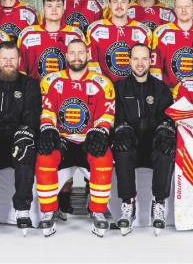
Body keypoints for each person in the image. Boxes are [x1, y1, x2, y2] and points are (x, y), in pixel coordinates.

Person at [35, 39, 115, 237]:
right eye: (72, 53)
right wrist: (48, 130)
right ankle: (48, 212)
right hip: (63, 140)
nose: (77, 57)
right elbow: (48, 111)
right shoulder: (52, 81)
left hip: (88, 140)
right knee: (45, 156)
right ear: (66, 55)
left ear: (88, 55)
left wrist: (100, 132)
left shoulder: (102, 83)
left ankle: (98, 211)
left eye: (81, 53)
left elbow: (107, 114)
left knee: (103, 157)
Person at [0, 42, 42, 236]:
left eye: (12, 58)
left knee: (26, 149)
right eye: (4, 58)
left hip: (18, 137)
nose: (8, 62)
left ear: (19, 60)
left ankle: (22, 209)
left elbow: (31, 113)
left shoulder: (30, 84)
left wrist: (26, 132)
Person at [111, 44, 175, 236]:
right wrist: (121, 129)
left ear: (150, 61)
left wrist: (165, 130)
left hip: (153, 146)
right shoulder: (119, 88)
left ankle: (159, 203)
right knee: (122, 149)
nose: (140, 64)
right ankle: (127, 204)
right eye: (136, 59)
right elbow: (114, 116)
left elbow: (168, 117)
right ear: (129, 61)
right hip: (131, 145)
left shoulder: (162, 89)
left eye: (144, 59)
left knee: (167, 149)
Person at [87, 0, 152, 82]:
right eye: (115, 2)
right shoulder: (95, 29)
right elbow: (92, 63)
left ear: (129, 4)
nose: (119, 6)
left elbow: (146, 64)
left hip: (133, 88)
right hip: (104, 87)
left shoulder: (143, 31)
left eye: (123, 2)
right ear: (109, 4)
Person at [18, 0, 87, 80]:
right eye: (49, 6)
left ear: (63, 10)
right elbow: (21, 69)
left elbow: (83, 66)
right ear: (43, 9)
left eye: (58, 6)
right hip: (35, 91)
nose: (54, 10)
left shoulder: (76, 34)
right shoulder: (28, 34)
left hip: (66, 91)